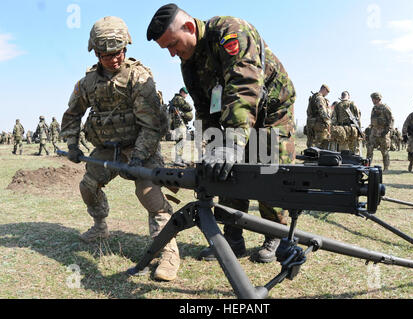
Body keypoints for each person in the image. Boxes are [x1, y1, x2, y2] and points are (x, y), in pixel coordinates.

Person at [147, 4, 296, 263]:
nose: (172, 53)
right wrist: (209, 146)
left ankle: (276, 235)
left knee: (268, 170)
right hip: (231, 117)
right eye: (166, 49)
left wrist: (233, 142)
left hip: (270, 113)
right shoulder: (188, 63)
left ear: (189, 27)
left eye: (172, 44)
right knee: (224, 172)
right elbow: (205, 108)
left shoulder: (230, 31)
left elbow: (244, 85)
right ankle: (232, 238)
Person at [60, 16, 180, 281]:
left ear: (125, 48)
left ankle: (168, 251)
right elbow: (71, 115)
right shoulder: (87, 83)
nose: (114, 60)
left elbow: (152, 126)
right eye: (106, 55)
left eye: (118, 53)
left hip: (141, 145)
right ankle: (100, 226)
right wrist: (71, 143)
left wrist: (138, 157)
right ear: (95, 52)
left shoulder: (139, 76)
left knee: (149, 194)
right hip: (106, 147)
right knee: (87, 186)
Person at [366, 93, 394, 171]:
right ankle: (367, 166)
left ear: (378, 99)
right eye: (372, 99)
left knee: (384, 151)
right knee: (369, 149)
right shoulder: (374, 108)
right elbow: (372, 120)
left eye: (374, 99)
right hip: (374, 132)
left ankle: (386, 168)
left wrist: (387, 130)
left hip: (383, 133)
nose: (372, 101)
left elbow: (391, 120)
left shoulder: (385, 108)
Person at [168, 87, 194, 166]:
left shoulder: (175, 99)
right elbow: (189, 107)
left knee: (180, 141)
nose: (186, 95)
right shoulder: (179, 98)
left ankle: (179, 159)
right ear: (182, 92)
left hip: (178, 122)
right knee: (181, 141)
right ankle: (177, 160)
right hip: (179, 123)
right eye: (185, 93)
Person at [306, 84, 331, 149]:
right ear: (324, 89)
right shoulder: (320, 98)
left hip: (310, 123)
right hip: (318, 125)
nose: (327, 94)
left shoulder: (313, 97)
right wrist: (328, 123)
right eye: (327, 92)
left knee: (310, 144)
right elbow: (323, 112)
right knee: (320, 145)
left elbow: (308, 111)